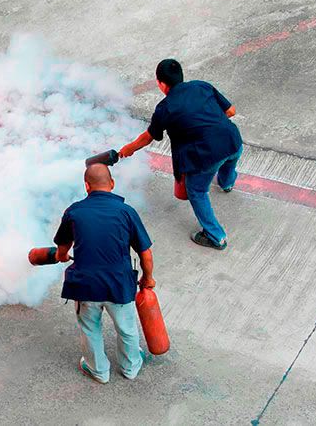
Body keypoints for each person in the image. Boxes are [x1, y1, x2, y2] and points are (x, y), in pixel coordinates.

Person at [119, 58, 242, 250]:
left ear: (161, 84)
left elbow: (149, 136)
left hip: (206, 155)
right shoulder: (202, 86)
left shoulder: (165, 108)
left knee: (197, 191)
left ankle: (215, 236)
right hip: (233, 141)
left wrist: (129, 148)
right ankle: (227, 184)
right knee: (228, 161)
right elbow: (231, 111)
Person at [53, 163, 156, 383]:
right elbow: (145, 253)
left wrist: (62, 256)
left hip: (86, 286)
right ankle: (131, 368)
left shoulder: (74, 211)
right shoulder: (126, 212)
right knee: (127, 329)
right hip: (119, 286)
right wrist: (147, 279)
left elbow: (62, 251)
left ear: (87, 186)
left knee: (90, 328)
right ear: (112, 184)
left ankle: (98, 371)